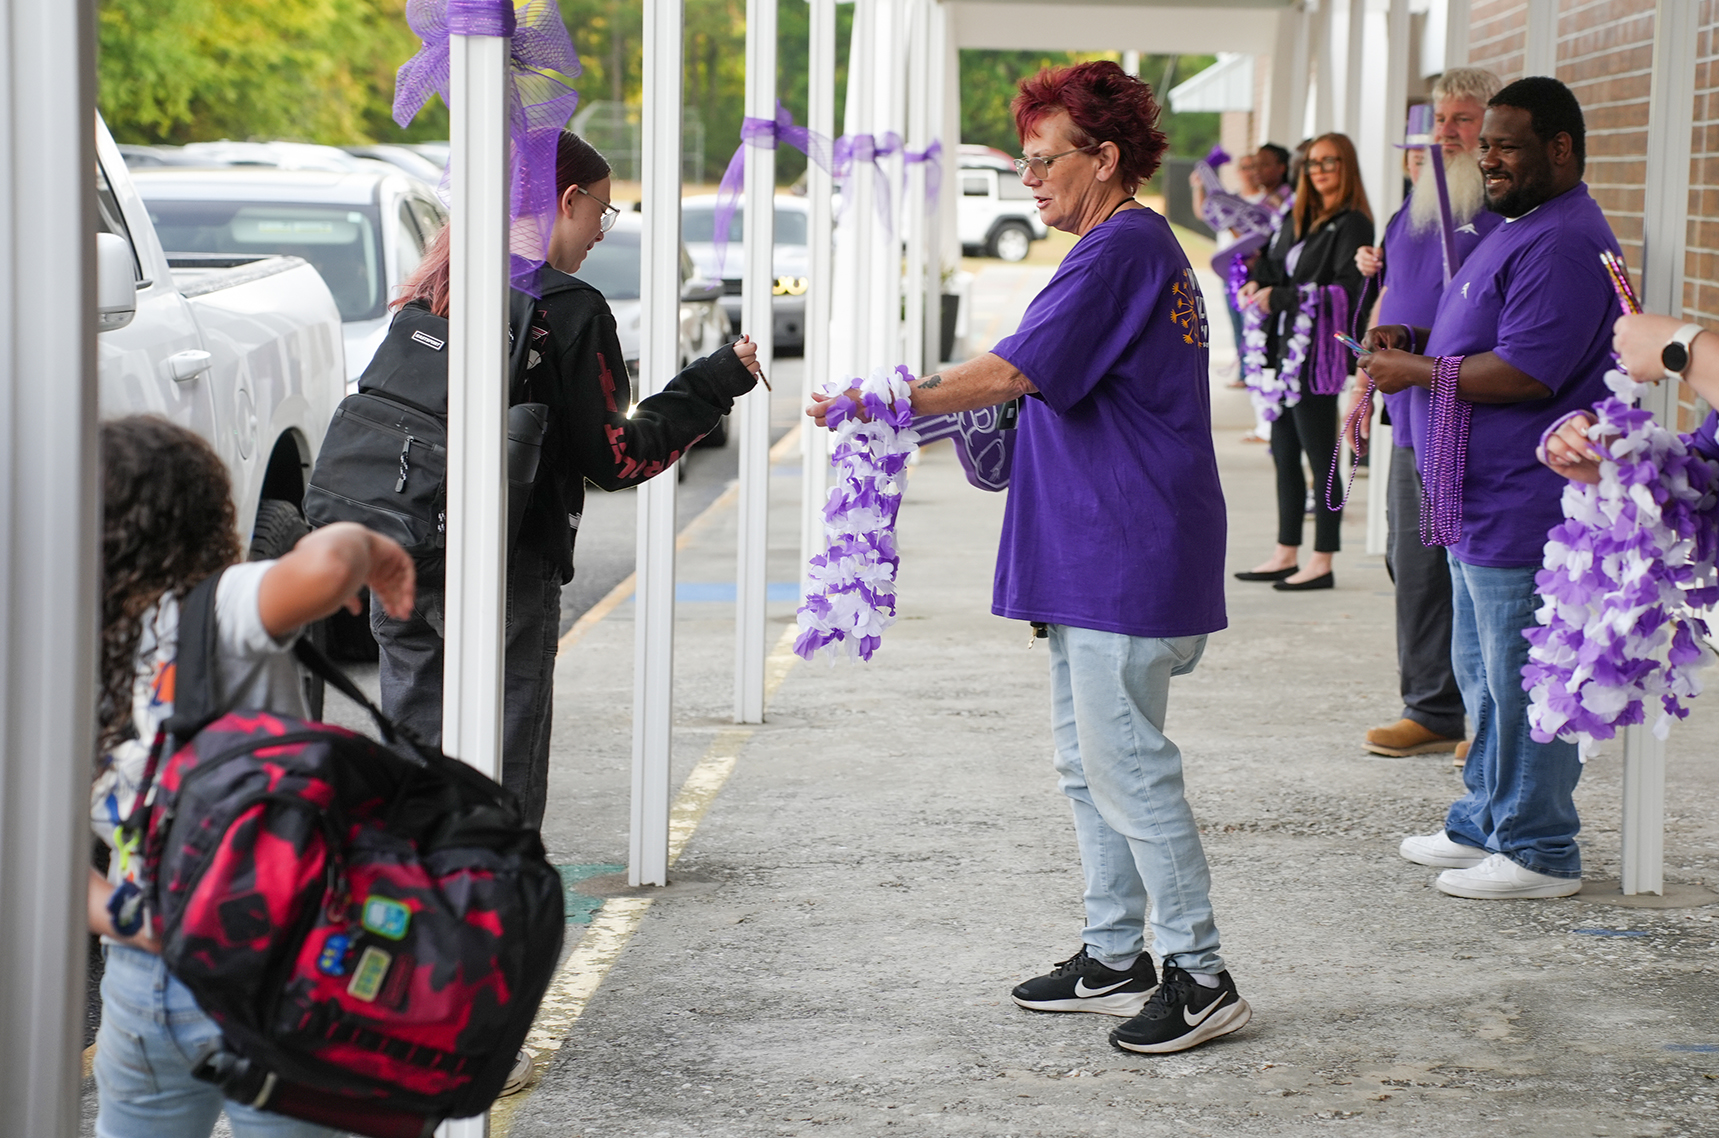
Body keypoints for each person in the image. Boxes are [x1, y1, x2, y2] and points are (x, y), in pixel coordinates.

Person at [810, 60, 1247, 1054]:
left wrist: (891, 399)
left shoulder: (1120, 250)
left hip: (1123, 553)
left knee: (1128, 769)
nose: (1030, 182)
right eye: (1023, 163)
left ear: (1105, 158)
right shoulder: (1115, 248)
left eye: (1044, 162)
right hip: (1091, 550)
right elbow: (1027, 382)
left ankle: (1201, 971)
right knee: (1090, 766)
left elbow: (1013, 370)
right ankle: (1115, 949)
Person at [370, 131, 762, 829]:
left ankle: (406, 918)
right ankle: (492, 922)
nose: (600, 235)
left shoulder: (433, 287)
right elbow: (616, 456)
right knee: (501, 783)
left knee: (408, 768)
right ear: (566, 200)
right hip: (507, 559)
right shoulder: (568, 308)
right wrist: (713, 382)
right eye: (602, 214)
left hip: (400, 548)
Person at [90, 416, 416, 1138]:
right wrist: (366, 544)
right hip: (274, 965)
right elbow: (328, 568)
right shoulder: (219, 606)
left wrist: (131, 920)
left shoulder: (58, 644)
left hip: (146, 976)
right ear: (209, 515)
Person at [1358, 77, 1619, 899]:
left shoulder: (1564, 239)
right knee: (1479, 677)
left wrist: (1416, 369)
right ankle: (1483, 821)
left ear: (1560, 150)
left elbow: (1524, 370)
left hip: (1523, 500)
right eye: (1486, 143)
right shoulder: (1518, 227)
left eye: (1506, 143)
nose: (1488, 158)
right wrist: (1418, 336)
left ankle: (1540, 848)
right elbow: (1483, 334)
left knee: (1520, 678)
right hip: (1476, 498)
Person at [1351, 69, 1504, 761]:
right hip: (1409, 413)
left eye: (1463, 119)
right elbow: (1396, 292)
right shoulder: (1412, 207)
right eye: (1439, 119)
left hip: (1467, 417)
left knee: (1469, 577)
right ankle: (1431, 706)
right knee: (1410, 563)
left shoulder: (1498, 213)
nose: (1446, 131)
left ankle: (1482, 721)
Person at [1236, 133, 1374, 592]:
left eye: (1328, 162)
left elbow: (1346, 289)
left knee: (1323, 458)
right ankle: (1286, 551)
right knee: (1284, 453)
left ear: (1346, 167)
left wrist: (1283, 297)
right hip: (1281, 351)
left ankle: (1323, 558)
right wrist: (1253, 283)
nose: (1318, 171)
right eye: (1312, 163)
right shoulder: (1298, 218)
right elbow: (1272, 267)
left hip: (1315, 356)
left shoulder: (1352, 223)